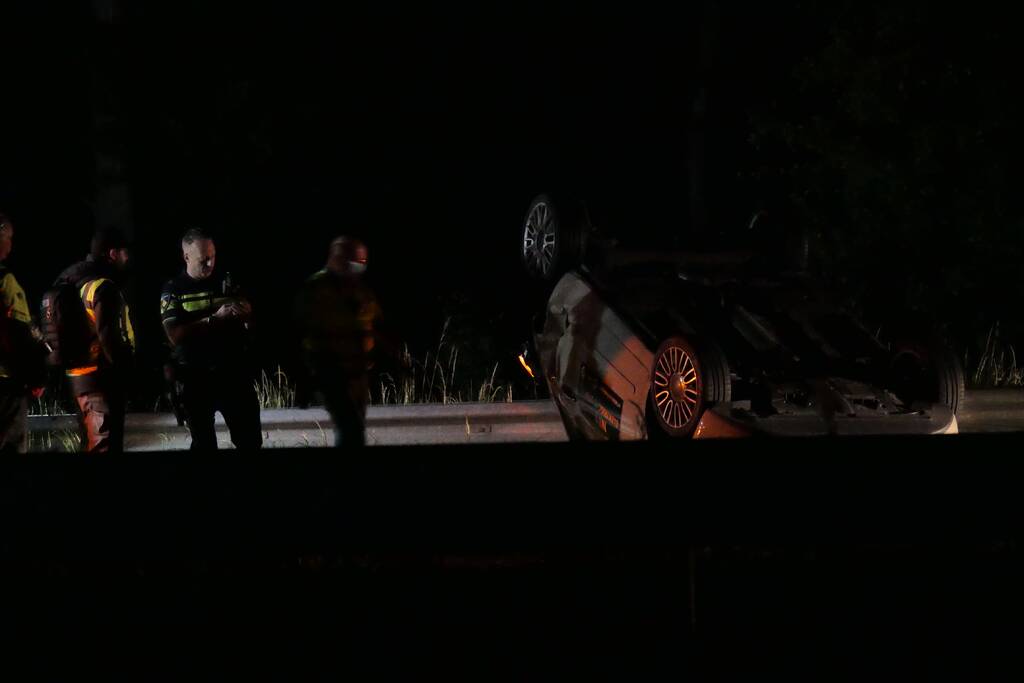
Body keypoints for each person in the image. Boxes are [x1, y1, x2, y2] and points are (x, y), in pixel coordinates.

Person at [160, 228, 262, 451]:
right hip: (196, 378)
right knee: (204, 444)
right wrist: (213, 319)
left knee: (250, 441)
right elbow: (174, 335)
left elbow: (251, 326)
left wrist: (247, 317)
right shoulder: (173, 290)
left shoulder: (227, 282)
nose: (209, 264)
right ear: (186, 257)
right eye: (203, 260)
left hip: (233, 374)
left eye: (213, 257)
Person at [294, 236, 400, 447]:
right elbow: (299, 332)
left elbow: (373, 325)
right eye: (354, 262)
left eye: (362, 263)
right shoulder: (317, 288)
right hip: (330, 372)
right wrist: (304, 377)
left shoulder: (359, 290)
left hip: (357, 374)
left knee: (355, 427)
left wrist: (392, 357)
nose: (359, 268)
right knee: (350, 429)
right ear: (338, 259)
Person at [51, 227, 136, 452]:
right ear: (113, 254)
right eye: (125, 252)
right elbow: (110, 339)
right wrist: (127, 372)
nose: (129, 258)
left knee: (92, 444)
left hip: (79, 381)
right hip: (101, 383)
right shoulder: (103, 287)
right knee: (105, 448)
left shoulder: (77, 281)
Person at [0, 213, 47, 454]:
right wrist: (35, 376)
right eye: (9, 237)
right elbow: (15, 333)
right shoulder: (4, 281)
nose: (11, 244)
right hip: (6, 384)